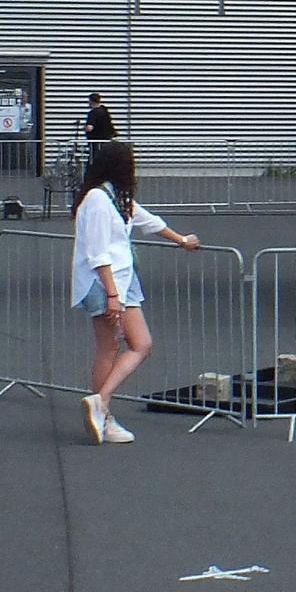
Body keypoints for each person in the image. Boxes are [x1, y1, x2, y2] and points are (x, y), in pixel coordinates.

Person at [70, 141, 200, 446]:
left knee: (138, 344)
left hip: (121, 282)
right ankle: (103, 410)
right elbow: (98, 253)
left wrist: (181, 240)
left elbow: (147, 221)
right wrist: (113, 295)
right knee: (111, 347)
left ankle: (100, 405)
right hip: (106, 284)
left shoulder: (116, 198)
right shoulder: (99, 201)